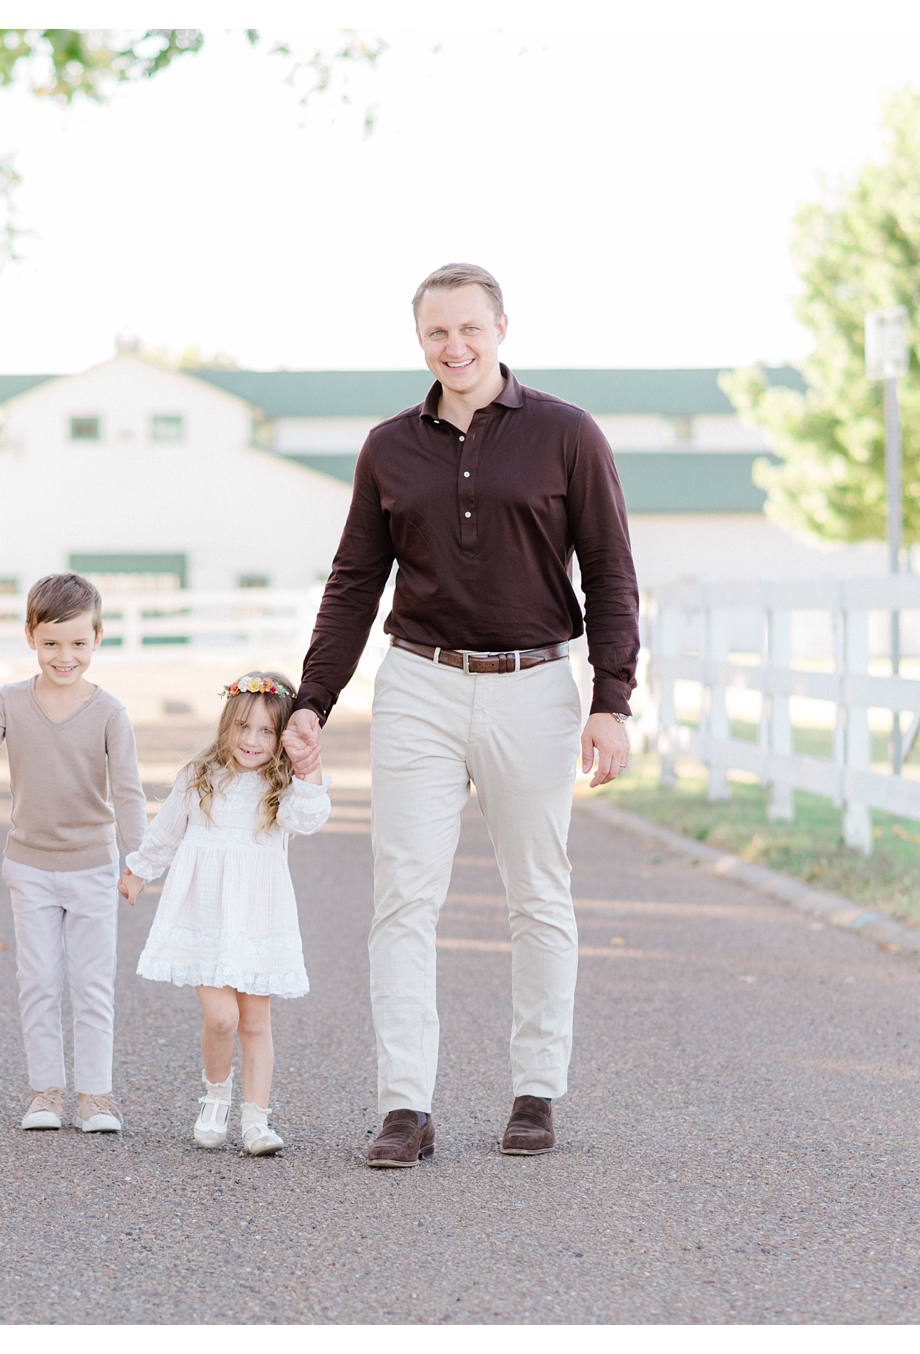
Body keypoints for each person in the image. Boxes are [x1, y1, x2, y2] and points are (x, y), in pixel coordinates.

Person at [281, 263, 639, 1168]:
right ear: (420, 341)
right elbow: (355, 581)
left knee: (538, 894)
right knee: (404, 898)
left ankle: (536, 1094)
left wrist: (611, 700)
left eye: (470, 328)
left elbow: (609, 570)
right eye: (438, 333)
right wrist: (312, 700)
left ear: (502, 328)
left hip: (534, 686)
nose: (456, 346)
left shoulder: (567, 435)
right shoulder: (388, 448)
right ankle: (406, 1106)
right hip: (420, 687)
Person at [0, 573, 147, 1134]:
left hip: (94, 867)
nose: (64, 656)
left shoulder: (108, 713)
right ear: (30, 635)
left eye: (78, 643)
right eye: (51, 642)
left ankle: (95, 1097)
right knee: (39, 981)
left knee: (94, 984)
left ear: (97, 638)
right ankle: (45, 1093)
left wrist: (137, 863)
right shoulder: (8, 701)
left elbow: (127, 792)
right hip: (28, 867)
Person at [120, 672, 332, 1157]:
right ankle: (214, 1098)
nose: (251, 741)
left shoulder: (283, 787)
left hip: (258, 915)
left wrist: (308, 768)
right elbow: (168, 830)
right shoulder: (201, 777)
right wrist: (138, 871)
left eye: (265, 732)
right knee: (221, 1018)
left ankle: (256, 1120)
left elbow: (309, 819)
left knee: (255, 1022)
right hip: (205, 915)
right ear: (226, 724)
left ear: (281, 739)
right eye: (242, 727)